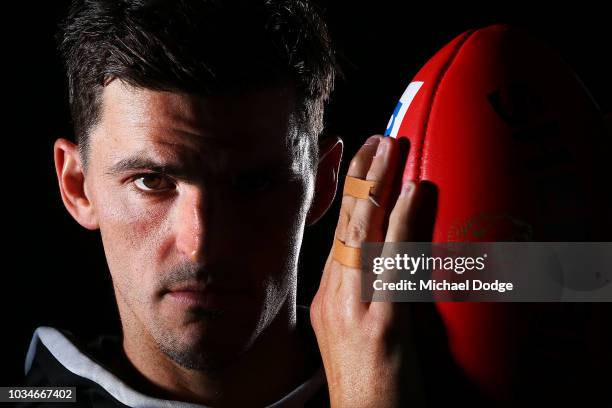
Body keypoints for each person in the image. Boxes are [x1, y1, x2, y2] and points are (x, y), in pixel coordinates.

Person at [20, 0, 436, 406]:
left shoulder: (470, 365)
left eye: (253, 183)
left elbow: (498, 269)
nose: (201, 244)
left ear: (323, 184)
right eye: (152, 181)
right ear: (77, 186)